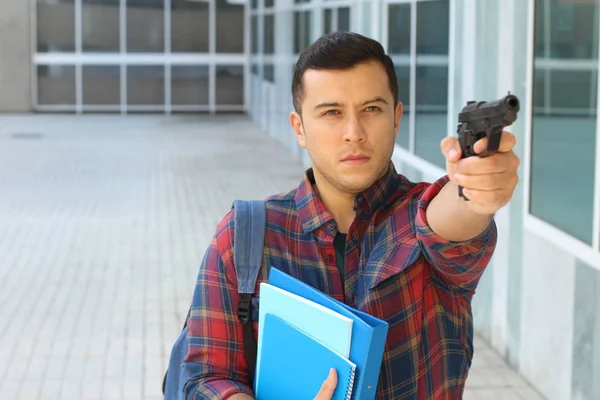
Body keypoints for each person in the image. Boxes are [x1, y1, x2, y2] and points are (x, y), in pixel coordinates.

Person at [180, 31, 520, 399]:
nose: (354, 133)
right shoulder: (245, 236)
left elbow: (451, 220)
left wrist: (474, 189)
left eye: (371, 109)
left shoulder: (422, 215)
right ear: (300, 128)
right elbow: (205, 377)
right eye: (332, 113)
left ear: (396, 118)